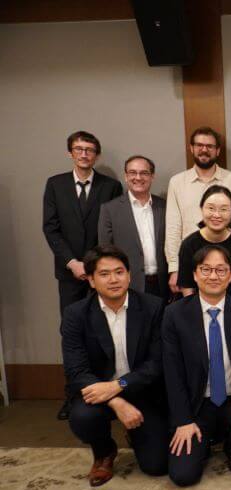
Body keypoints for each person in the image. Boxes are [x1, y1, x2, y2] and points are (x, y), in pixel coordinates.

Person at [62, 246, 169, 486]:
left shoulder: (153, 307)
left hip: (143, 390)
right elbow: (76, 371)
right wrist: (115, 399)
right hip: (99, 393)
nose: (113, 280)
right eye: (104, 274)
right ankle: (104, 451)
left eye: (119, 272)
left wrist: (121, 385)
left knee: (157, 465)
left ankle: (137, 435)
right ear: (90, 280)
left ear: (129, 275)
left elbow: (157, 362)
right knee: (82, 416)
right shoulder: (75, 314)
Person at [162, 245, 231, 486]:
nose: (213, 276)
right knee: (183, 476)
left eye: (221, 270)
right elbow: (172, 372)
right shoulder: (174, 314)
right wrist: (183, 420)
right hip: (196, 404)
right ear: (195, 274)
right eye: (206, 269)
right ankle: (205, 441)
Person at [43, 130, 123, 420]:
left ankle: (107, 390)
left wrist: (95, 267)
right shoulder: (56, 185)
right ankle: (74, 395)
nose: (84, 154)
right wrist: (72, 263)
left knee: (106, 331)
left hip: (102, 273)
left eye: (89, 149)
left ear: (96, 155)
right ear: (70, 153)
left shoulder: (111, 186)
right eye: (79, 149)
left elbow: (112, 230)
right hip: (70, 275)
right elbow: (50, 228)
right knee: (73, 333)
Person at [165, 126, 231, 296]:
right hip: (190, 261)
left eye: (210, 146)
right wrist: (174, 268)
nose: (204, 149)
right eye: (199, 145)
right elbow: (173, 226)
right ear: (192, 148)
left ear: (217, 151)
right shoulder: (177, 182)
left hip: (227, 266)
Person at [98, 155, 169, 298]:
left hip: (162, 284)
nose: (138, 177)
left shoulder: (165, 206)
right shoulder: (110, 210)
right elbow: (105, 251)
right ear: (125, 176)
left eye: (144, 173)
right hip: (128, 285)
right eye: (132, 172)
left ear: (152, 176)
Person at [177, 185, 231, 298]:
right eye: (211, 208)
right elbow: (187, 291)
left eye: (223, 209)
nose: (217, 215)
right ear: (201, 209)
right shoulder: (189, 245)